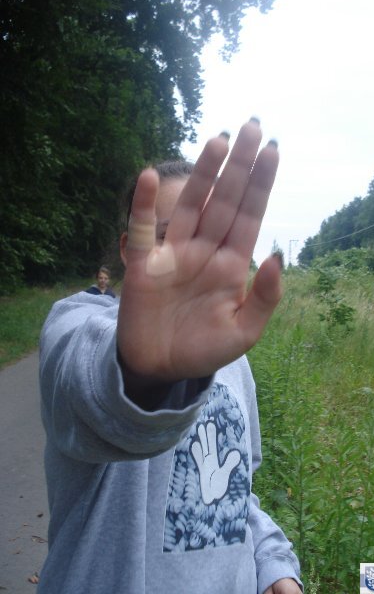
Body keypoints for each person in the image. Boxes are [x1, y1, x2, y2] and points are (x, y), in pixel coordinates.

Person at [38, 119, 302, 594]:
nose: (187, 261)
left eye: (205, 239)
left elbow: (238, 491)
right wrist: (145, 376)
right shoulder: (75, 325)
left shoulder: (233, 361)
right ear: (128, 248)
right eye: (168, 236)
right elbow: (99, 398)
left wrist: (272, 564)